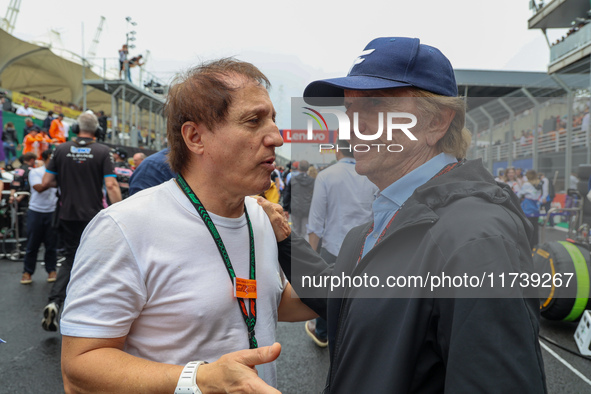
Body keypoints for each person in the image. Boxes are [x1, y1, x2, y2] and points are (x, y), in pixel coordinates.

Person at [260, 37, 546, 393]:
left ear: (437, 123)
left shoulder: (476, 238)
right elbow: (340, 296)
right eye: (350, 110)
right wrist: (285, 237)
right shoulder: (371, 228)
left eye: (374, 106)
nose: (353, 126)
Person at [59, 58, 316, 393]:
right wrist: (199, 380)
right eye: (254, 121)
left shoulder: (260, 217)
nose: (277, 138)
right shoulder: (124, 228)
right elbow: (79, 367)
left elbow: (270, 302)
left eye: (273, 119)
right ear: (196, 137)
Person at [38, 112, 122, 332]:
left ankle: (54, 302)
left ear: (76, 128)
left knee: (70, 258)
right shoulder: (103, 151)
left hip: (67, 215)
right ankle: (92, 314)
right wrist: (120, 212)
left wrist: (67, 176)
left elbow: (46, 181)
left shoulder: (61, 149)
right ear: (97, 131)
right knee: (97, 261)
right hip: (93, 217)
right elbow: (112, 186)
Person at [304, 139, 377, 348]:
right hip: (366, 249)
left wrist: (311, 258)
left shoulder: (326, 176)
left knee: (328, 296)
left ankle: (322, 333)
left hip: (333, 248)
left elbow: (316, 223)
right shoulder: (371, 176)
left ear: (338, 151)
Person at [19, 149, 58, 285]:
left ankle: (51, 270)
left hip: (52, 212)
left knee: (51, 244)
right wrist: (56, 182)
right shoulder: (35, 172)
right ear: (46, 158)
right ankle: (27, 272)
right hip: (35, 212)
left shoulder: (58, 172)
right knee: (32, 244)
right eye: (52, 158)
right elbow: (39, 188)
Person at [282, 160, 314, 239]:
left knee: (296, 230)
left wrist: (285, 208)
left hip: (295, 208)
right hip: (307, 209)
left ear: (298, 167)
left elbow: (287, 194)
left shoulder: (292, 180)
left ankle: (296, 249)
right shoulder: (312, 181)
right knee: (305, 231)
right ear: (307, 168)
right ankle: (304, 249)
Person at [518, 170, 542, 245]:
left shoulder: (526, 184)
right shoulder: (539, 183)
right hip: (536, 207)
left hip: (527, 207)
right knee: (535, 228)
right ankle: (535, 244)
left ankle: (528, 245)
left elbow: (519, 194)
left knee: (527, 228)